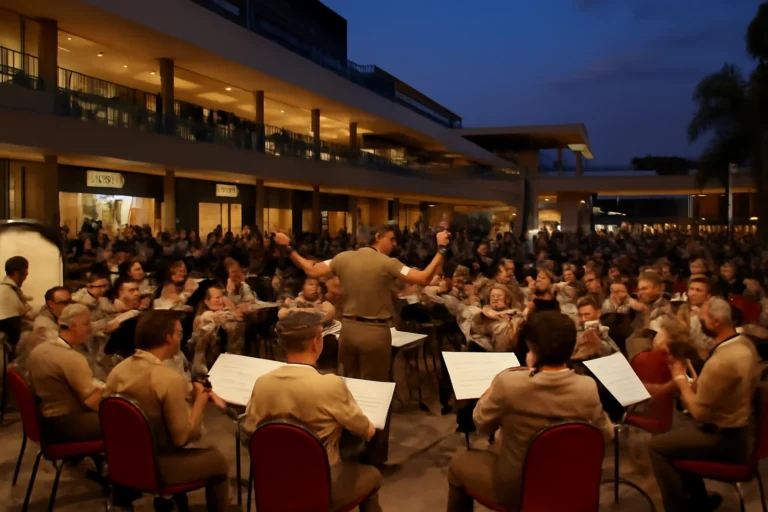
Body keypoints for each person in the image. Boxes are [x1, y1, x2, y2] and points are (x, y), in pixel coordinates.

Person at [274, 224, 450, 467]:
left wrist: (289, 246)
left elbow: (311, 270)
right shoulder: (386, 262)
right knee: (376, 395)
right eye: (391, 239)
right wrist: (441, 249)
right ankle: (373, 457)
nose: (394, 244)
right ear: (378, 237)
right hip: (375, 333)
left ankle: (348, 449)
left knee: (347, 391)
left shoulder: (342, 258)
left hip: (348, 331)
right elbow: (422, 278)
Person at [446, 311, 613, 511]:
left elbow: (481, 423)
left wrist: (489, 392)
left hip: (519, 487)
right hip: (570, 483)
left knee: (458, 465)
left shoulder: (509, 382)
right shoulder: (587, 387)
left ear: (532, 349)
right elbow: (607, 434)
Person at [244, 312, 382, 512]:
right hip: (321, 483)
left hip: (274, 481)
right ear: (316, 342)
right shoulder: (330, 385)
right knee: (372, 475)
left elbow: (251, 430)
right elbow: (366, 431)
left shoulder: (263, 383)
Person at [106, 310, 230, 511]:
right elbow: (182, 437)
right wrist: (201, 400)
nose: (181, 339)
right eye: (180, 334)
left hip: (123, 461)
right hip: (158, 464)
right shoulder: (166, 378)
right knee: (218, 461)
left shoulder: (118, 371)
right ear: (169, 337)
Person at [648, 297, 759, 511]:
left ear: (716, 322)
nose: (698, 323)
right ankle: (699, 502)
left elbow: (698, 412)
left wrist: (680, 378)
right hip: (744, 431)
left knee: (656, 447)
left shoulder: (722, 361)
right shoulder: (743, 343)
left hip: (727, 439)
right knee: (677, 438)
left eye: (702, 319)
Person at [26, 304, 104, 443]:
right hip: (66, 423)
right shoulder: (71, 358)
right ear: (72, 326)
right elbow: (92, 403)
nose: (90, 327)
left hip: (46, 421)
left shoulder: (39, 350)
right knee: (129, 421)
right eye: (86, 323)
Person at [0, 256, 33, 347]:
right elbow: (12, 327)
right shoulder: (6, 292)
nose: (27, 274)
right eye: (25, 273)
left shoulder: (9, 288)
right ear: (16, 273)